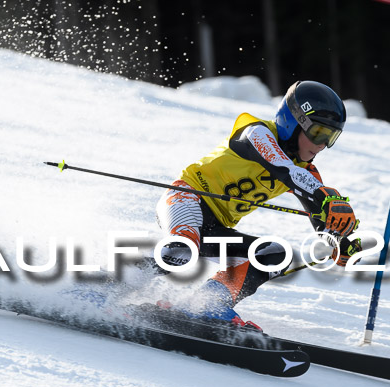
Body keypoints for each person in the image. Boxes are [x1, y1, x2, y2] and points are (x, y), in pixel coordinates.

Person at [153, 80, 362, 329]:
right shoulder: (257, 133)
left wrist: (341, 241)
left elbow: (322, 223)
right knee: (183, 248)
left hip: (216, 226)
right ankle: (111, 283)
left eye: (331, 137)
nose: (322, 145)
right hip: (186, 199)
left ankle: (207, 305)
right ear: (293, 122)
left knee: (273, 254)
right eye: (318, 133)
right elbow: (283, 169)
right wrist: (325, 197)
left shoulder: (306, 173)